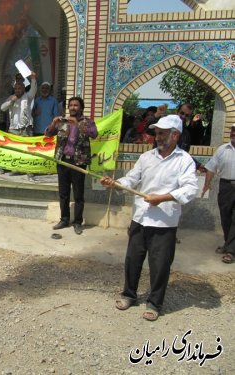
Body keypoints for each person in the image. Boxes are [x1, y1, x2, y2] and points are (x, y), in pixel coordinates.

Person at [100, 115, 198, 321]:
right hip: (140, 218)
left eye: (162, 133)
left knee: (160, 265)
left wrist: (163, 197)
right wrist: (115, 183)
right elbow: (132, 179)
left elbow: (190, 190)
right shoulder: (147, 157)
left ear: (175, 135)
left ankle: (154, 303)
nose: (157, 136)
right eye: (156, 133)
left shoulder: (184, 161)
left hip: (164, 223)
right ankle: (129, 295)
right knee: (132, 260)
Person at [46, 97, 98, 235]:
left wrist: (78, 125)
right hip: (63, 161)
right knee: (63, 193)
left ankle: (77, 222)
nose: (73, 107)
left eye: (76, 105)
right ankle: (64, 219)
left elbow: (94, 135)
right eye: (71, 105)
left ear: (81, 108)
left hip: (78, 162)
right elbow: (48, 133)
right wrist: (53, 123)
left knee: (78, 194)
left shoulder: (87, 122)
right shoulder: (63, 122)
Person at [202, 124, 235, 264]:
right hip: (226, 186)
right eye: (233, 130)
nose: (233, 133)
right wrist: (206, 184)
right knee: (226, 217)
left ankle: (231, 251)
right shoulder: (222, 149)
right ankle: (228, 244)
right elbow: (210, 167)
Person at [0, 72, 37, 136]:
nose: (17, 90)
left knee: (26, 145)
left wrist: (33, 78)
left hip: (26, 129)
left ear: (23, 89)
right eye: (16, 89)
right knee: (13, 146)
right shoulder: (11, 97)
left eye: (19, 88)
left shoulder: (28, 96)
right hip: (13, 129)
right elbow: (2, 108)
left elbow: (33, 90)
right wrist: (11, 101)